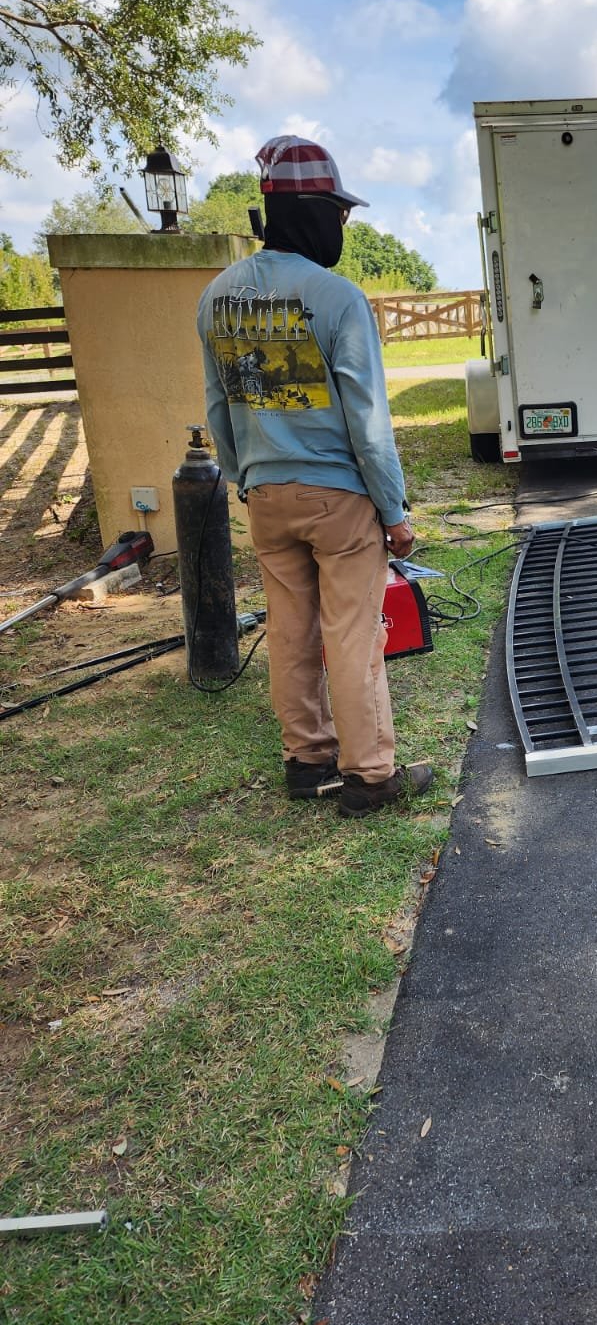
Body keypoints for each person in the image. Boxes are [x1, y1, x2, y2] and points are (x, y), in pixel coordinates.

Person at [197, 134, 432, 819]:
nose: (344, 224)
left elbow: (219, 406)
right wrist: (394, 511)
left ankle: (306, 761)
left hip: (266, 493)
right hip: (339, 499)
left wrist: (246, 477)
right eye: (339, 212)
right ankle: (370, 777)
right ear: (317, 213)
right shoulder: (336, 298)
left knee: (290, 629)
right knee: (355, 634)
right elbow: (368, 421)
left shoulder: (216, 298)